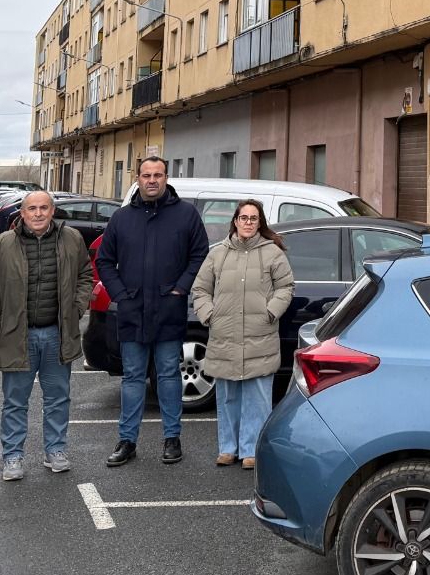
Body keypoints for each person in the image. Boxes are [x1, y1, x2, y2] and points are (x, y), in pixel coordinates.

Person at [0, 190, 94, 481]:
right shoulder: (1, 245)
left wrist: (76, 309)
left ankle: (56, 451)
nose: (38, 214)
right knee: (15, 401)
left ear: (52, 211)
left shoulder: (72, 240)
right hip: (18, 337)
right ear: (22, 213)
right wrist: (0, 325)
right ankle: (13, 456)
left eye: (43, 208)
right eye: (32, 209)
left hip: (57, 334)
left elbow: (85, 276)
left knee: (58, 398)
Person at [96, 156, 209, 466]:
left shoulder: (186, 214)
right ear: (138, 178)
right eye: (146, 175)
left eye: (157, 174)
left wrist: (180, 288)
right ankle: (127, 441)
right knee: (132, 378)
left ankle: (172, 439)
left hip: (168, 309)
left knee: (169, 376)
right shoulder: (122, 218)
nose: (152, 180)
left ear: (166, 177)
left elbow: (200, 255)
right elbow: (105, 261)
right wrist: (120, 294)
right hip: (132, 310)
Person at [191, 199, 294, 468]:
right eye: (243, 218)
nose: (248, 223)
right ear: (235, 221)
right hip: (224, 336)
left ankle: (251, 450)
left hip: (260, 336)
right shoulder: (218, 254)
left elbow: (286, 287)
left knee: (257, 397)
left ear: (260, 223)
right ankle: (228, 448)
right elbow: (200, 289)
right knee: (228, 397)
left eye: (253, 218)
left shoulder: (272, 253)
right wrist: (209, 315)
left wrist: (270, 311)